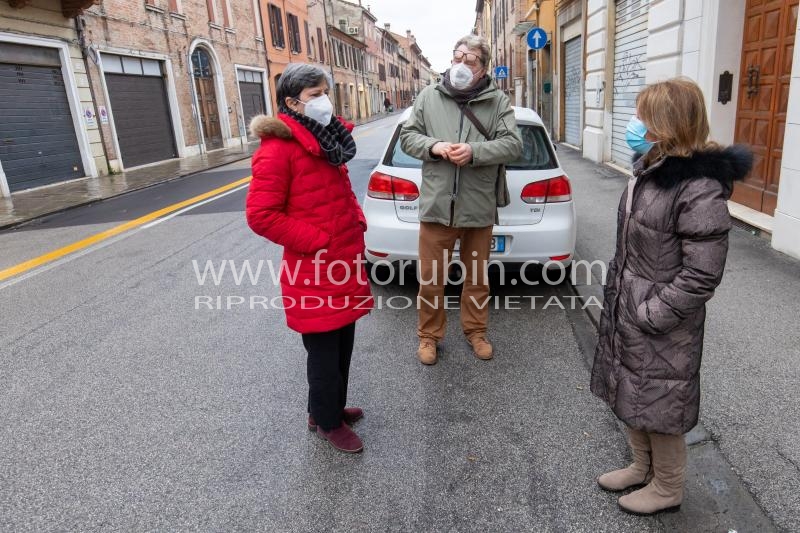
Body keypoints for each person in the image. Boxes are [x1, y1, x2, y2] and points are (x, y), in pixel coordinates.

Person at [590, 78, 753, 514]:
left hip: (661, 317)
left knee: (662, 403)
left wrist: (652, 314)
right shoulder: (651, 168)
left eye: (644, 116)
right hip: (631, 304)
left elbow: (701, 274)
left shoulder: (698, 187)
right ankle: (640, 466)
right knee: (632, 389)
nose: (635, 123)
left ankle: (668, 488)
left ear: (667, 124)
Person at [246, 63, 373, 454]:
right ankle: (328, 423)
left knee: (343, 344)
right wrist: (319, 241)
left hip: (342, 262)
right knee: (323, 353)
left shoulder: (324, 140)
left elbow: (338, 190)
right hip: (314, 268)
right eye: (315, 95)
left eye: (324, 92)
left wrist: (356, 218)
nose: (324, 101)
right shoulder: (278, 150)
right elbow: (260, 215)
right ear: (292, 103)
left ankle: (325, 410)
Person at [400, 34, 522, 365]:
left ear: (483, 68)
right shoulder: (428, 96)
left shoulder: (497, 101)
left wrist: (475, 152)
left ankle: (476, 331)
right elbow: (408, 137)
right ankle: (428, 336)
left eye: (470, 60)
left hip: (478, 205)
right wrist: (435, 147)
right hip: (437, 205)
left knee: (477, 279)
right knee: (431, 280)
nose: (461, 65)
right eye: (457, 57)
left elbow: (513, 144)